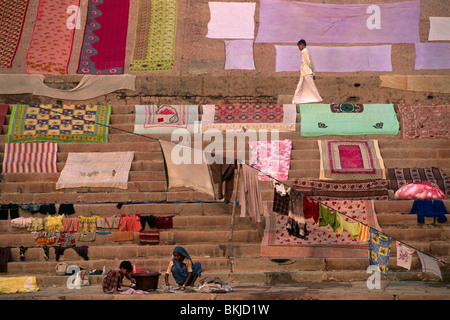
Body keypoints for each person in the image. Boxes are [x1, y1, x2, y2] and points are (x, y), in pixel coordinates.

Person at [292, 39, 323, 104]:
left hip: (307, 72)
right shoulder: (304, 52)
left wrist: (313, 73)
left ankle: (320, 100)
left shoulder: (305, 51)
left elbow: (309, 62)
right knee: (299, 86)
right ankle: (295, 100)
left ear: (302, 45)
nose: (299, 48)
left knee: (312, 86)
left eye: (299, 46)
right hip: (304, 73)